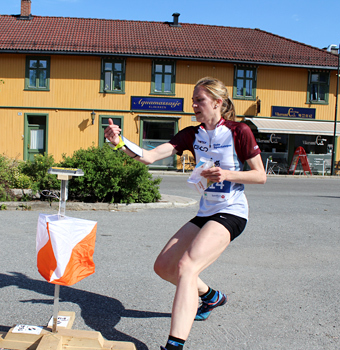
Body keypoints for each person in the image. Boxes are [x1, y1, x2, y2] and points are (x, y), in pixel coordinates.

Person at [104, 77, 267, 350]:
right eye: (193, 100)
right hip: (206, 212)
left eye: (199, 100)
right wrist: (119, 142)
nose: (194, 105)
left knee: (187, 267)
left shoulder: (240, 131)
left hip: (232, 212)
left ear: (218, 102)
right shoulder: (192, 134)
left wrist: (226, 174)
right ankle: (211, 296)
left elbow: (260, 175)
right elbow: (148, 156)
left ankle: (174, 345)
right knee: (163, 267)